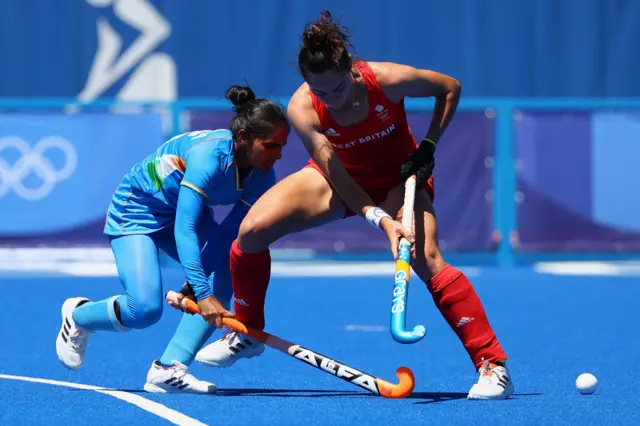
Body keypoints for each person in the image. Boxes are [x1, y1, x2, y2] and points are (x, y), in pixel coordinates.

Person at [194, 10, 514, 400]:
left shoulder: (388, 80)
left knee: (427, 258)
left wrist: (429, 145)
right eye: (321, 92)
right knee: (252, 231)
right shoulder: (303, 108)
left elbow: (449, 87)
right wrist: (380, 220)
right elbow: (339, 176)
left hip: (399, 178)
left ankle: (492, 366)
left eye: (338, 90)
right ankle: (247, 331)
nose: (332, 100)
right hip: (339, 179)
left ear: (352, 71)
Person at [55, 86, 290, 394]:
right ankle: (78, 315)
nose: (280, 154)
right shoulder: (210, 157)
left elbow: (227, 234)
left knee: (226, 267)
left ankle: (168, 369)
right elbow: (185, 229)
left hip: (179, 214)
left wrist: (198, 286)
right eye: (271, 145)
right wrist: (202, 293)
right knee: (144, 310)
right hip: (138, 212)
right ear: (244, 138)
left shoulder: (263, 175)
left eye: (282, 146)